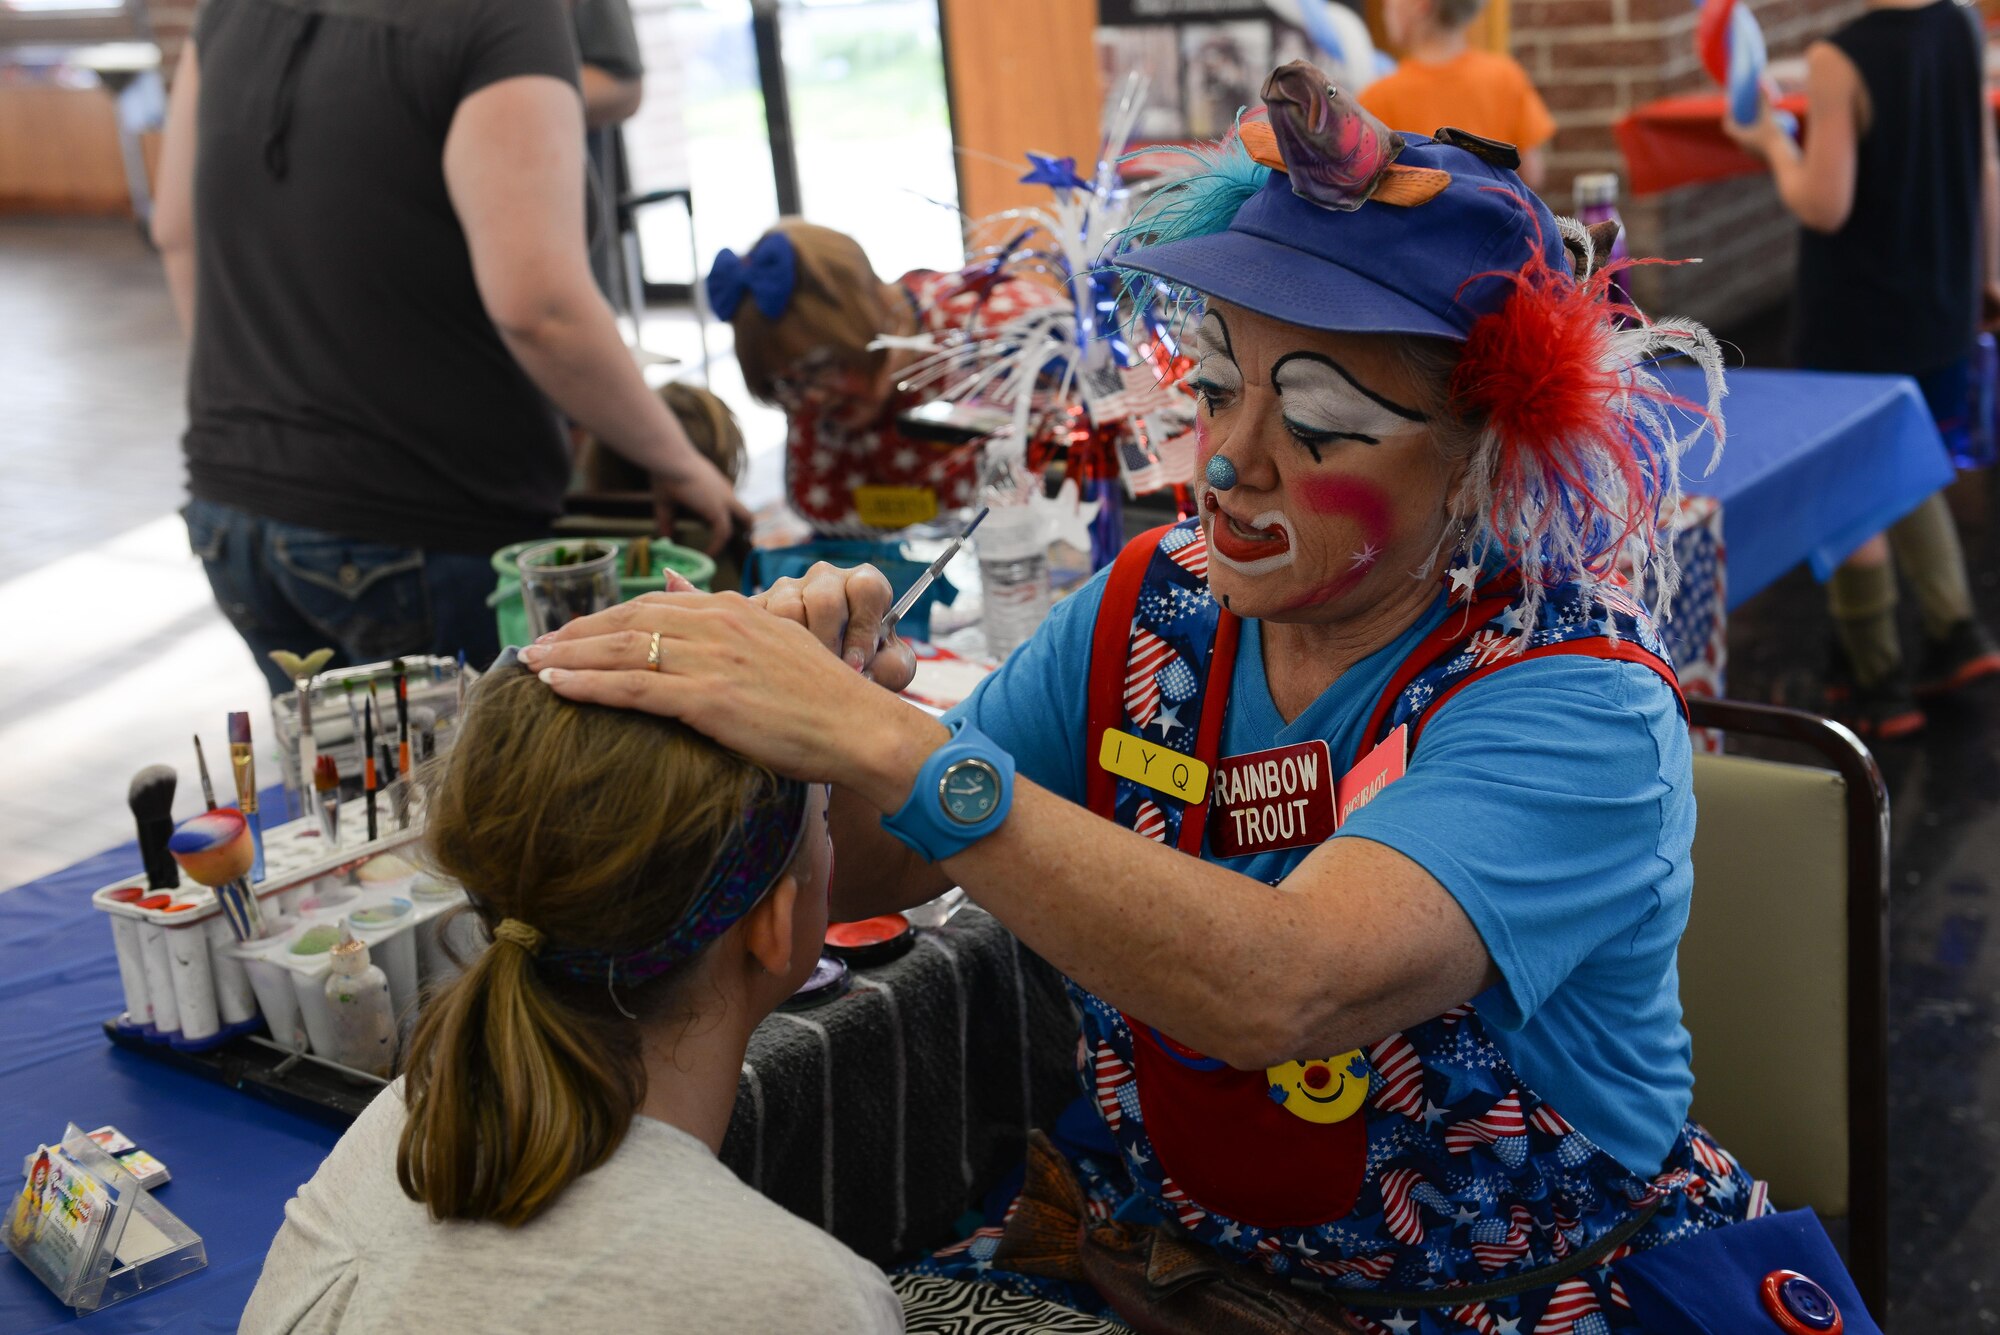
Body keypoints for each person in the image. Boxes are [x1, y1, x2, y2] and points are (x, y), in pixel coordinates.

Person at [524, 66, 1872, 1332]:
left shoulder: (1571, 705)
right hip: (1178, 1269)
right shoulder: (1148, 606)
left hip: (1521, 1294)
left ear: (1481, 462)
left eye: (1322, 421)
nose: (1228, 460)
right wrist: (806, 751)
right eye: (1219, 384)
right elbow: (892, 852)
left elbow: (1285, 984)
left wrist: (888, 739)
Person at [239, 657, 902, 1334]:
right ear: (773, 923)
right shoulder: (802, 1301)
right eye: (824, 820)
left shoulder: (403, 1120)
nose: (829, 831)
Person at [150, 0, 747, 695]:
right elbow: (540, 307)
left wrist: (270, 389)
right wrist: (676, 458)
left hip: (234, 507)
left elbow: (174, 231)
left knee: (347, 794)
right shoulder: (498, 15)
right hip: (415, 521)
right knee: (469, 799)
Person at [1727, 0, 2000, 737]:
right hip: (1942, 301)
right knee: (1909, 455)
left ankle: (1876, 680)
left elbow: (1823, 204)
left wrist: (1769, 144)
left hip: (1861, 314)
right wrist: (1990, 280)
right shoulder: (1961, 22)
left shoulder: (1838, 59)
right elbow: (1983, 160)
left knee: (1853, 483)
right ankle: (1955, 632)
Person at [710, 219, 1056, 537]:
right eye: (787, 384)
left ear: (877, 312)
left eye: (821, 367)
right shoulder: (812, 391)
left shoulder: (995, 331)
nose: (812, 400)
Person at [1362, 0, 1554, 190]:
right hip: (1497, 218)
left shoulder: (1379, 97)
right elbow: (1532, 174)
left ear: (1420, 4)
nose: (1385, 7)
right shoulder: (1506, 76)